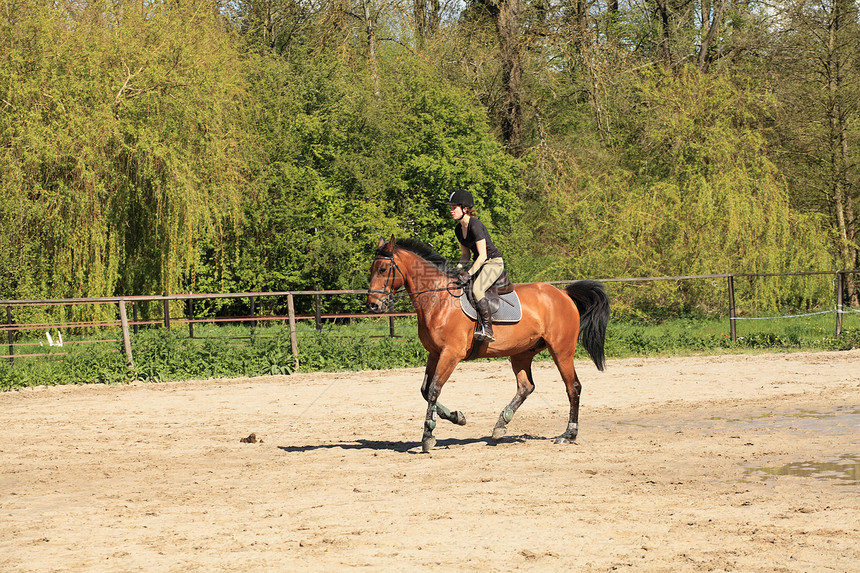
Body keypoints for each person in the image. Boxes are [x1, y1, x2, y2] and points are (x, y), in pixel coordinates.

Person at [446, 188, 505, 342]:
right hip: (480, 264)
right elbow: (466, 255)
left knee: (477, 289)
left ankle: (488, 328)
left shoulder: (475, 225)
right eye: (451, 208)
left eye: (454, 208)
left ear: (465, 209)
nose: (451, 211)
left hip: (493, 262)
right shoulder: (458, 229)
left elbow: (483, 255)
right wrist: (456, 270)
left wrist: (468, 273)